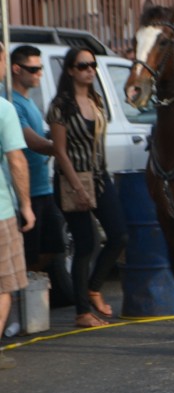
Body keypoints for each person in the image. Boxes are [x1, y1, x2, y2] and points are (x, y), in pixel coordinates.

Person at [47, 47, 127, 328]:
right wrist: (77, 186)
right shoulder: (60, 106)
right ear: (70, 70)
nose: (89, 69)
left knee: (119, 235)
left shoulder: (96, 100)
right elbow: (59, 150)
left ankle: (94, 287)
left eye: (92, 64)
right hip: (72, 180)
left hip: (100, 176)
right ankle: (82, 312)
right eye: (83, 65)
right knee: (85, 244)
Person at [9, 46, 73, 303]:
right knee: (29, 252)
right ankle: (18, 302)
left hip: (42, 187)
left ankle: (28, 296)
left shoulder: (29, 102)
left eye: (40, 69)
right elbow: (32, 142)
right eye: (34, 69)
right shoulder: (11, 102)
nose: (39, 74)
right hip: (27, 191)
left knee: (52, 248)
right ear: (16, 69)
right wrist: (61, 148)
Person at [0, 43, 33, 369]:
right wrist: (26, 204)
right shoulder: (4, 109)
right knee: (2, 286)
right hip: (0, 213)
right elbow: (17, 161)